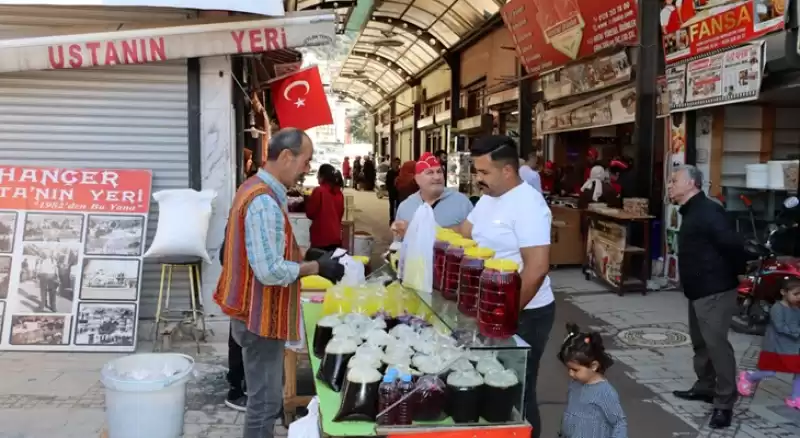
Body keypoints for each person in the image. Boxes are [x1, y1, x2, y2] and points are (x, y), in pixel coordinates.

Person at [214, 128, 345, 438]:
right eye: (305, 161)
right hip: (259, 316)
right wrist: (315, 267)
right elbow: (270, 271)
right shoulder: (262, 201)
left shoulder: (257, 188)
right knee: (265, 402)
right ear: (286, 156)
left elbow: (264, 249)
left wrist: (306, 254)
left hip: (252, 313)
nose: (307, 169)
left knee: (265, 398)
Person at [451, 135, 554, 438]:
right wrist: (425, 230)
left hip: (525, 312)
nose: (477, 179)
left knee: (517, 391)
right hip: (490, 308)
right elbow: (464, 234)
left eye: (484, 173)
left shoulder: (528, 205)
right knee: (491, 382)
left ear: (507, 171)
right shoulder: (488, 199)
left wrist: (507, 317)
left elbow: (536, 268)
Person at [667, 164, 746, 429]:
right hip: (697, 291)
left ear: (692, 183)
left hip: (715, 290)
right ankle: (705, 386)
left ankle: (724, 402)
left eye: (674, 180)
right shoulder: (691, 211)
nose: (669, 185)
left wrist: (736, 274)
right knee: (700, 343)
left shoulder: (709, 211)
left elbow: (733, 245)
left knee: (717, 346)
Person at [737, 276, 800, 409]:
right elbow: (780, 326)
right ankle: (749, 376)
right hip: (775, 346)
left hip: (792, 346)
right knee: (769, 371)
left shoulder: (796, 308)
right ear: (784, 292)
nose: (798, 297)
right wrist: (797, 332)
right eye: (796, 294)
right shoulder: (777, 308)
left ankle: (796, 397)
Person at [559, 324, 627, 438]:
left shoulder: (605, 392)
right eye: (568, 369)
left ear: (593, 366)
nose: (570, 373)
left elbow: (619, 422)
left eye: (575, 370)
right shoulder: (575, 384)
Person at [391, 153, 473, 238]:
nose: (437, 177)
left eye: (439, 171)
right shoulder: (405, 207)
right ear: (417, 179)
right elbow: (398, 244)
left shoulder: (462, 203)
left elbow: (477, 237)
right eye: (430, 173)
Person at [306, 164, 344, 252]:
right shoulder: (339, 193)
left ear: (322, 177)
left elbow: (310, 213)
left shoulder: (319, 191)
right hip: (336, 238)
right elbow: (340, 214)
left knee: (319, 264)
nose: (316, 177)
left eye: (318, 175)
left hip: (321, 239)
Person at [386, 158, 401, 224]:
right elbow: (387, 182)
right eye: (395, 162)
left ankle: (397, 218)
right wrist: (389, 190)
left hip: (398, 192)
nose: (397, 164)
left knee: (398, 205)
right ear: (393, 163)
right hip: (392, 191)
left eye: (398, 163)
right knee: (392, 206)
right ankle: (392, 219)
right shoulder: (390, 172)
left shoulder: (400, 172)